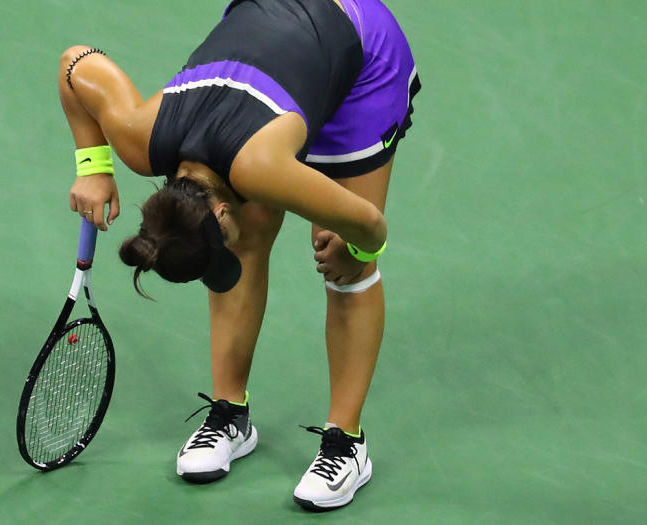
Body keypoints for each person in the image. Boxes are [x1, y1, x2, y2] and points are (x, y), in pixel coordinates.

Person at [58, 0, 418, 511]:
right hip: (276, 42)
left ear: (220, 210)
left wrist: (356, 246)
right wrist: (93, 165)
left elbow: (372, 225)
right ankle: (230, 414)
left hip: (361, 47)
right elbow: (75, 63)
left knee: (347, 261)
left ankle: (348, 442)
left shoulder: (259, 170)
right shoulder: (141, 141)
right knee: (248, 236)